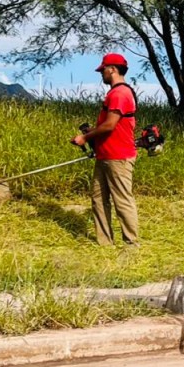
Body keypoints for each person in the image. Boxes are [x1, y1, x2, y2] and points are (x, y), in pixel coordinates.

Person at [71, 53, 139, 247]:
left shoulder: (119, 93)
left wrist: (85, 137)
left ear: (112, 69)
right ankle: (105, 242)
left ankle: (131, 245)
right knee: (99, 199)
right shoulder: (114, 93)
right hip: (105, 155)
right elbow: (111, 126)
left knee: (122, 201)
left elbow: (110, 125)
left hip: (118, 157)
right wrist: (92, 133)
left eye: (103, 70)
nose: (102, 74)